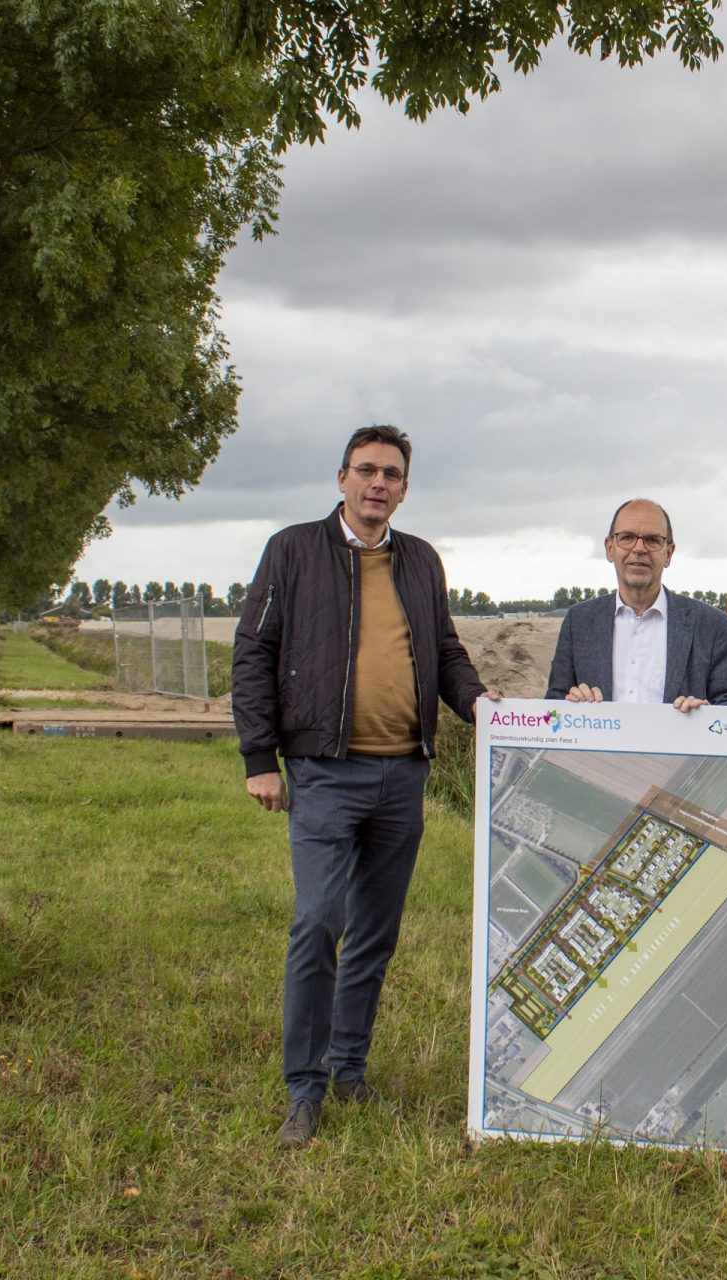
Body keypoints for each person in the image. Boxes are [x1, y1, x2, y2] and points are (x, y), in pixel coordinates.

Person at [232, 424, 493, 1150]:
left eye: (392, 475)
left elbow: (443, 650)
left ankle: (350, 1070)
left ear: (404, 489)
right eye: (367, 471)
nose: (379, 484)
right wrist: (259, 757)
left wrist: (481, 707)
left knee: (376, 933)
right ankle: (303, 1089)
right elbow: (253, 651)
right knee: (319, 921)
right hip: (323, 771)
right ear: (342, 479)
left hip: (402, 774)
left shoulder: (421, 561)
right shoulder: (292, 551)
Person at [543, 498, 727, 709]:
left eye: (652, 540)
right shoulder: (578, 622)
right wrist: (572, 702)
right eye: (627, 537)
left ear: (668, 553)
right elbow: (553, 705)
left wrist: (705, 714)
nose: (639, 548)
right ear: (609, 548)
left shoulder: (712, 625)